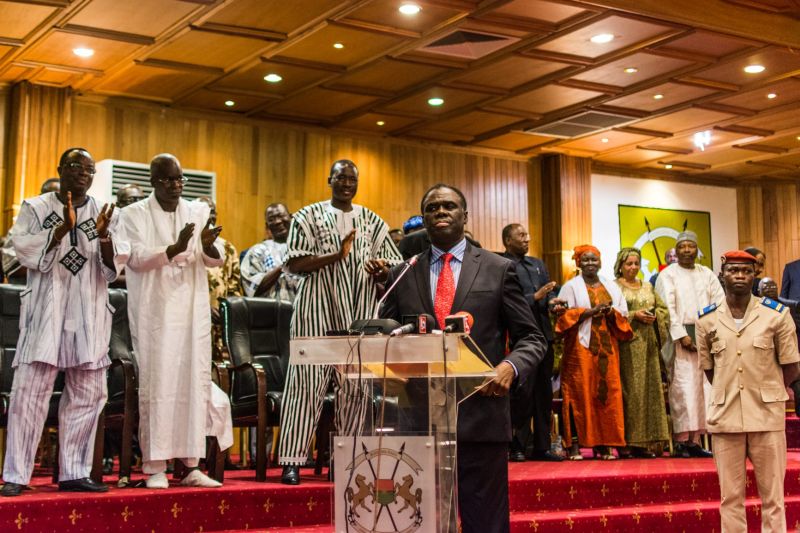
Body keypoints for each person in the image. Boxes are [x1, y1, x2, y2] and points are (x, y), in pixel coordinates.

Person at [380, 183, 546, 533]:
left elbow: (531, 337)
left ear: (465, 216)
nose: (441, 212)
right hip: (418, 419)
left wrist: (508, 367)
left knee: (485, 523)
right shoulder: (404, 273)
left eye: (449, 206)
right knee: (417, 521)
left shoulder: (497, 268)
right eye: (432, 208)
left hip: (480, 416)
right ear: (424, 218)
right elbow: (386, 337)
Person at [0, 149, 124, 496]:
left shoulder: (105, 212)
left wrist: (103, 237)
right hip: (46, 314)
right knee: (28, 394)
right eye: (74, 166)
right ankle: (16, 474)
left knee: (88, 394)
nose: (82, 173)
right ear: (60, 169)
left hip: (89, 314)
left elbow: (114, 270)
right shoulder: (35, 208)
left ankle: (74, 471)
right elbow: (18, 253)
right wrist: (59, 232)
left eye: (88, 169)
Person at [277, 159, 402, 485]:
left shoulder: (372, 221)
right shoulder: (306, 216)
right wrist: (337, 255)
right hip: (314, 313)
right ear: (329, 179)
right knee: (304, 386)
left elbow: (393, 266)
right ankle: (292, 461)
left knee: (356, 389)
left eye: (352, 179)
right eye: (341, 177)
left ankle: (345, 459)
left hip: (358, 316)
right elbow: (295, 264)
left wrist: (381, 268)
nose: (346, 183)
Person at [119, 153, 232, 489]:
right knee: (158, 388)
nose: (176, 185)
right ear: (154, 181)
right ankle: (154, 467)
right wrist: (174, 248)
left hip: (192, 313)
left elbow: (215, 259)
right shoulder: (132, 214)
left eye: (180, 178)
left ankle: (191, 465)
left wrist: (209, 246)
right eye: (168, 179)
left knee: (192, 385)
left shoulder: (197, 211)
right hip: (155, 314)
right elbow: (134, 259)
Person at [697, 250, 800, 533]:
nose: (739, 276)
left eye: (745, 271)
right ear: (722, 275)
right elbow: (709, 369)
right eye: (733, 270)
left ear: (754, 276)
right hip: (726, 417)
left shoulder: (776, 315)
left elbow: (791, 366)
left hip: (766, 416)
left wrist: (767, 389)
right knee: (730, 498)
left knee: (773, 498)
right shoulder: (706, 320)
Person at [554, 245, 632, 461]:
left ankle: (605, 444)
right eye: (585, 260)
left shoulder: (611, 286)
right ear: (578, 263)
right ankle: (574, 446)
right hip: (580, 350)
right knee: (580, 395)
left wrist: (610, 312)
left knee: (606, 394)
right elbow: (562, 318)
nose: (590, 264)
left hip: (607, 349)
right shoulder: (570, 287)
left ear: (600, 262)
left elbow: (623, 314)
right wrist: (590, 312)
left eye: (594, 260)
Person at [655, 230, 724, 458]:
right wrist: (681, 335)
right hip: (680, 340)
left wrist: (709, 334)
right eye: (682, 246)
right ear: (676, 250)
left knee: (704, 390)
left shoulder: (707, 274)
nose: (686, 250)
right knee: (683, 389)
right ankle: (682, 440)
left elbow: (719, 304)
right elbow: (667, 309)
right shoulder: (668, 275)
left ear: (697, 250)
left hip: (706, 337)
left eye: (690, 246)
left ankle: (695, 441)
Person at [500, 223, 561, 462]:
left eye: (528, 234)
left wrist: (553, 302)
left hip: (544, 336)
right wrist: (534, 298)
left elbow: (549, 295)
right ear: (507, 240)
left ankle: (542, 446)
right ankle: (517, 445)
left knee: (544, 394)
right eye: (522, 235)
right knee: (522, 395)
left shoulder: (538, 264)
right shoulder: (502, 265)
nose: (528, 238)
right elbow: (505, 301)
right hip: (519, 339)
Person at [613, 247, 670, 458]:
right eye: (629, 264)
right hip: (626, 346)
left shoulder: (647, 286)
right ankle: (627, 442)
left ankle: (647, 442)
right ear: (620, 265)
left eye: (636, 263)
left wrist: (656, 315)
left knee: (650, 392)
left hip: (648, 346)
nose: (633, 267)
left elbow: (663, 310)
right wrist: (633, 315)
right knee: (631, 393)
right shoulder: (614, 287)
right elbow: (611, 313)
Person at [197, 197, 241, 357]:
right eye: (204, 211)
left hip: (220, 324)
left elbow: (234, 288)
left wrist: (225, 311)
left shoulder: (228, 248)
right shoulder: (185, 246)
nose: (210, 216)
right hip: (194, 320)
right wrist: (203, 308)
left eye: (213, 212)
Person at [1, 178, 61, 283]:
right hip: (28, 288)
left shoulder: (71, 224)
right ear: (40, 197)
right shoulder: (26, 223)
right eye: (49, 196)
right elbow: (12, 265)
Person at [240, 202, 300, 301]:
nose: (277, 222)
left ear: (291, 217)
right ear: (267, 225)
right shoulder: (257, 252)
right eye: (271, 219)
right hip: (270, 313)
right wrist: (284, 266)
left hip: (302, 312)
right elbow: (253, 289)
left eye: (280, 216)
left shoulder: (306, 248)